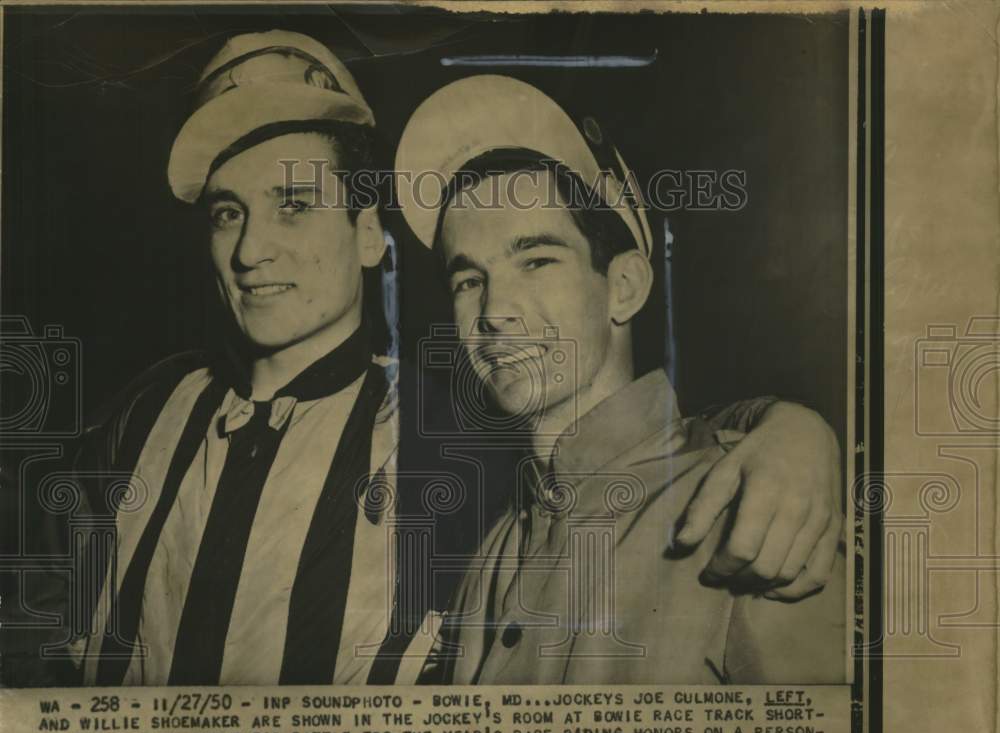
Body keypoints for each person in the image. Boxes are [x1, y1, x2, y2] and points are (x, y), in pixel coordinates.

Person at [14, 33, 842, 688]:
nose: (252, 250)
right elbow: (34, 579)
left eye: (294, 204)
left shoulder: (450, 434)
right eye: (228, 214)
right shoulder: (148, 409)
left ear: (370, 234)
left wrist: (793, 431)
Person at [395, 75, 847, 684]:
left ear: (625, 286)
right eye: (469, 279)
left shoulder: (750, 508)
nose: (495, 310)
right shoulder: (492, 552)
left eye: (536, 260)